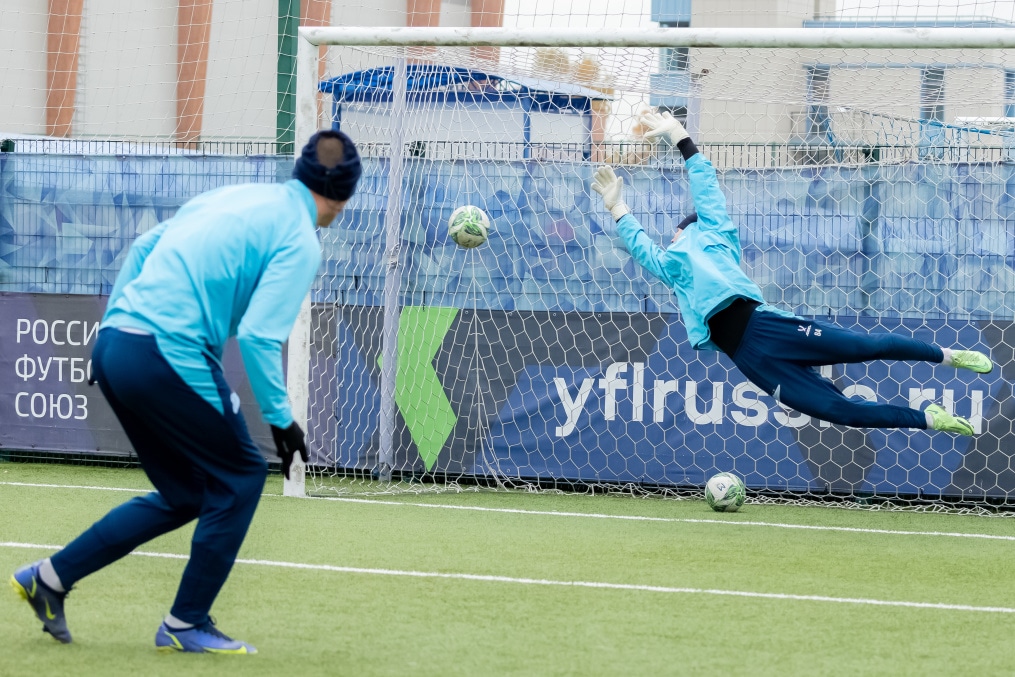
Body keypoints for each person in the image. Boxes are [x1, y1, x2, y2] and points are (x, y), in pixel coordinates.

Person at [10, 129, 362, 654]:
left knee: (187, 493)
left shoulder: (237, 194)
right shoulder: (302, 238)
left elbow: (145, 245)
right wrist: (283, 422)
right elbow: (263, 338)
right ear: (343, 197)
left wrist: (110, 329)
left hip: (115, 344)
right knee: (242, 475)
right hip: (165, 353)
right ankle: (185, 623)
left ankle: (51, 578)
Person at [591, 111, 992, 436]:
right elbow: (643, 250)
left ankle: (949, 356)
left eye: (680, 228)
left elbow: (706, 189)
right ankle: (928, 418)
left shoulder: (714, 234)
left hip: (764, 328)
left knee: (863, 348)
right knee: (840, 411)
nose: (674, 233)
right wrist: (617, 208)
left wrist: (682, 137)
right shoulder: (673, 268)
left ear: (690, 228)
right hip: (748, 357)